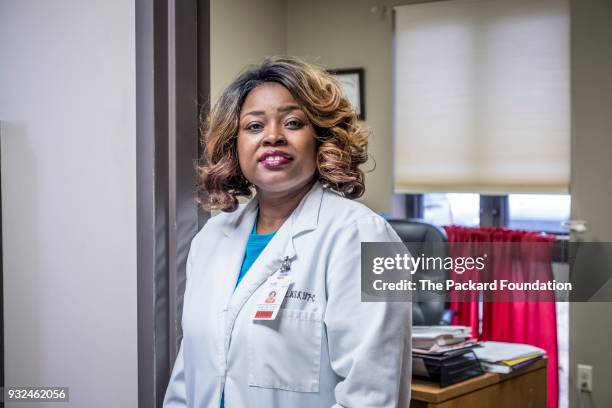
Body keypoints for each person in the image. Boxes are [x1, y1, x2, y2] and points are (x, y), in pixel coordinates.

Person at [163, 56, 412, 408]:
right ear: (235, 145)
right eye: (253, 126)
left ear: (321, 139)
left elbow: (372, 395)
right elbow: (188, 375)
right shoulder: (211, 239)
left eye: (293, 122)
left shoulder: (366, 237)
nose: (273, 137)